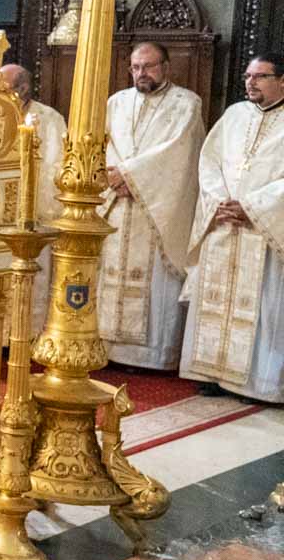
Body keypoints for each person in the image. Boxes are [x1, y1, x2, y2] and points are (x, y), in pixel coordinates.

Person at [179, 54, 284, 402]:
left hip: (264, 229)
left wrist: (252, 208)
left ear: (282, 80)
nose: (250, 83)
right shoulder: (234, 116)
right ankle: (211, 373)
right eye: (247, 75)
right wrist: (220, 200)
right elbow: (209, 162)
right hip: (223, 220)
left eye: (260, 76)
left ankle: (257, 384)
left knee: (264, 306)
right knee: (215, 298)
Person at [97, 41, 204, 370]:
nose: (141, 73)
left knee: (154, 281)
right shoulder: (117, 102)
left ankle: (152, 357)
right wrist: (112, 176)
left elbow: (180, 153)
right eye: (135, 67)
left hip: (156, 210)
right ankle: (108, 349)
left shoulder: (186, 103)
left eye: (149, 66)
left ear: (166, 67)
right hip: (117, 206)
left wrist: (130, 177)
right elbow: (104, 143)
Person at [0, 63, 67, 336]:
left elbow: (58, 165)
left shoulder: (49, 119)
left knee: (33, 278)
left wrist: (31, 197)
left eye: (4, 88)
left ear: (23, 88)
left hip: (33, 212)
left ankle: (27, 335)